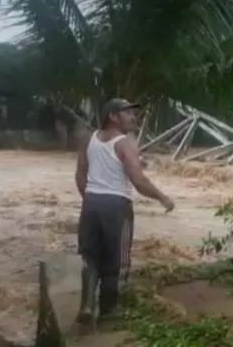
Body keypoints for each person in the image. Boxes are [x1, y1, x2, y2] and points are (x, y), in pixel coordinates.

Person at [74, 98, 175, 324]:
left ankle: (87, 306)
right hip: (117, 206)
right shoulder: (125, 144)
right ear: (113, 116)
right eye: (127, 113)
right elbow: (138, 180)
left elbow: (80, 174)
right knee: (117, 261)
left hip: (91, 203)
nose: (133, 117)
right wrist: (162, 197)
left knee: (89, 257)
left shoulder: (88, 139)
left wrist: (90, 198)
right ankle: (109, 312)